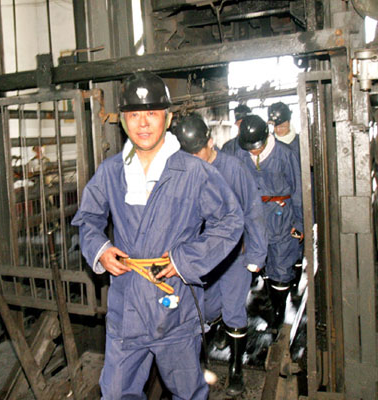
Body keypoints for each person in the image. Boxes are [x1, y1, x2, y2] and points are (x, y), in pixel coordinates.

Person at [71, 71, 245, 400]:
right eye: (134, 114)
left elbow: (230, 220)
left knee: (187, 393)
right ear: (123, 121)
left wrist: (185, 260)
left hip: (175, 304)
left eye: (151, 113)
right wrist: (100, 249)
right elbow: (89, 218)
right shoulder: (111, 171)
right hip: (128, 304)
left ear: (167, 118)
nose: (143, 123)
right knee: (116, 393)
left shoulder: (194, 172)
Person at [174, 113, 267, 397]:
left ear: (211, 142)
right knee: (203, 309)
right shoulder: (184, 170)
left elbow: (253, 210)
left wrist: (257, 254)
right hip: (202, 257)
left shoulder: (234, 169)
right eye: (189, 154)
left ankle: (236, 370)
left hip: (233, 256)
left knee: (233, 310)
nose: (194, 159)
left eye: (198, 152)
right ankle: (203, 355)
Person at [223, 114, 303, 334]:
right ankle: (239, 313)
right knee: (250, 263)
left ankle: (278, 314)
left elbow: (298, 190)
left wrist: (300, 223)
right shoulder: (237, 152)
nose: (254, 152)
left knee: (281, 266)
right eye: (250, 148)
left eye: (257, 147)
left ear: (267, 136)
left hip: (280, 216)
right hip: (250, 217)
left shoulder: (285, 155)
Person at [268, 101, 303, 289]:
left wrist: (301, 219)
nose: (279, 130)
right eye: (275, 126)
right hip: (275, 211)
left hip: (295, 203)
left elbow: (302, 185)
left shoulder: (300, 144)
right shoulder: (266, 146)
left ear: (290, 121)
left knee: (295, 248)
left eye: (282, 125)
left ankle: (295, 275)